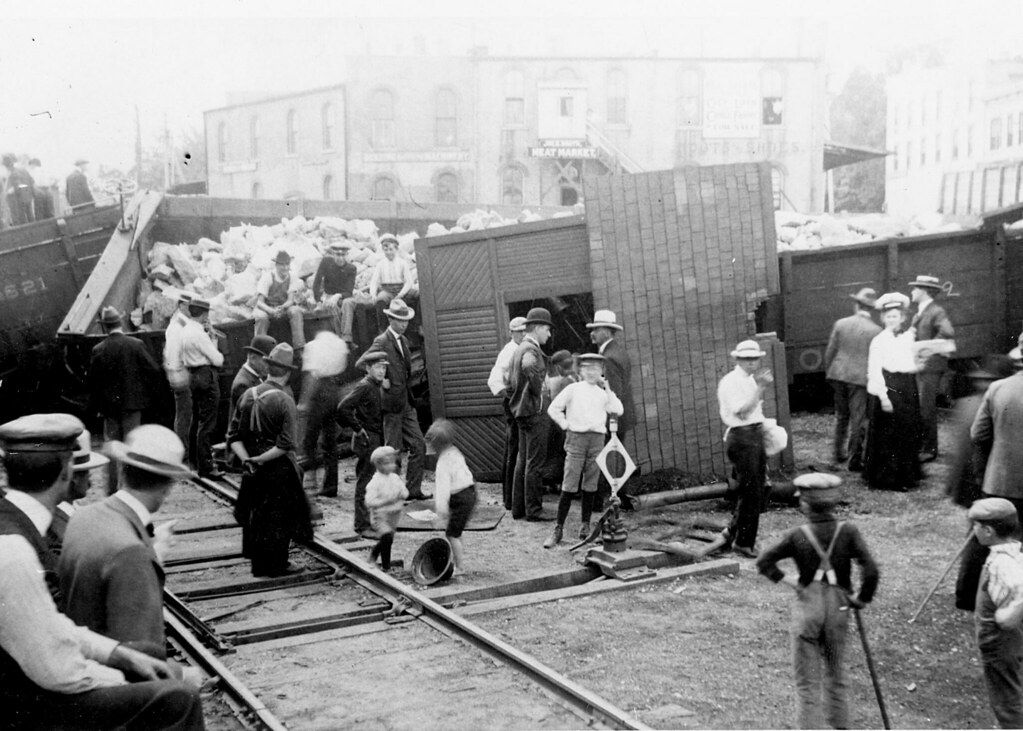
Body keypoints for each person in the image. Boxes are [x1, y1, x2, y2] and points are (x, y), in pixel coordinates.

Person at [0, 413, 204, 730]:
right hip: (19, 704)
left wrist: (120, 654)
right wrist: (125, 678)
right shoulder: (13, 549)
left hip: (20, 678)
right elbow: (60, 672)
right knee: (178, 700)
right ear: (67, 470)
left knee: (153, 669)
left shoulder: (17, 524)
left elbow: (46, 624)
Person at [755, 473, 880, 729]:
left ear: (805, 504)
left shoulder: (797, 535)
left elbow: (764, 561)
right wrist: (862, 599)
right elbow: (871, 570)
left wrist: (791, 581)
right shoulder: (848, 531)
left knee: (807, 683)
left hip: (807, 610)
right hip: (839, 609)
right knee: (836, 674)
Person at [59, 425, 189, 663]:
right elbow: (141, 656)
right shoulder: (131, 553)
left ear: (122, 470)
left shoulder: (82, 516)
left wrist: (152, 550)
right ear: (168, 486)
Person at [227, 343, 312, 577]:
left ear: (268, 367)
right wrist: (261, 459)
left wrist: (248, 460)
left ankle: (259, 564)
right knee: (279, 516)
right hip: (277, 468)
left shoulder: (248, 394)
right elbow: (286, 444)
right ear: (287, 372)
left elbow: (233, 437)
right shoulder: (284, 400)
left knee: (257, 514)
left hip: (251, 469)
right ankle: (278, 564)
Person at [948, 356, 1017, 611]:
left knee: (978, 538)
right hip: (987, 481)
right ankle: (978, 595)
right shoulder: (992, 401)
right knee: (986, 539)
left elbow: (973, 440)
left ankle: (966, 595)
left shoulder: (976, 400)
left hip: (981, 481)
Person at [544, 353, 624, 548]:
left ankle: (585, 526)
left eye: (595, 369)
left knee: (590, 485)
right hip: (576, 440)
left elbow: (618, 409)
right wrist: (565, 425)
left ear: (601, 372)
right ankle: (558, 528)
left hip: (596, 441)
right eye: (587, 368)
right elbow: (554, 409)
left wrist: (608, 388)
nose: (591, 373)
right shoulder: (573, 389)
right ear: (580, 370)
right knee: (569, 484)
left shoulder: (602, 393)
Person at [87, 306, 162, 491]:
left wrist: (98, 407)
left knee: (112, 448)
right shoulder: (136, 344)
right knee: (132, 446)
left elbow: (93, 383)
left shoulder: (98, 349)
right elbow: (153, 371)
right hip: (133, 406)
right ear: (120, 323)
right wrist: (145, 396)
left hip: (109, 409)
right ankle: (131, 488)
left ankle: (113, 489)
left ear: (104, 327)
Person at [366, 298, 429, 500]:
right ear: (390, 319)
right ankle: (392, 494)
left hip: (406, 403)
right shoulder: (381, 341)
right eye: (400, 320)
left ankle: (413, 490)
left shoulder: (404, 341)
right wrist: (379, 379)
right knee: (392, 453)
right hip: (391, 405)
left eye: (406, 321)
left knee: (419, 445)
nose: (404, 324)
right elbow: (362, 363)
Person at [970, 497, 1023, 728]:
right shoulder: (1010, 554)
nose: (973, 529)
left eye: (976, 525)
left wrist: (1008, 616)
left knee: (1006, 701)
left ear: (988, 530)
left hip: (1000, 646)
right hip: (1004, 646)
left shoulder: (1003, 564)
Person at [716, 339, 772, 559]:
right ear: (738, 359)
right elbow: (742, 412)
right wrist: (761, 388)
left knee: (755, 489)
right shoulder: (731, 382)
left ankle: (733, 532)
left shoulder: (749, 380)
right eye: (747, 359)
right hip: (742, 436)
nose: (752, 363)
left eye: (755, 358)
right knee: (751, 492)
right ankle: (743, 543)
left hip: (754, 435)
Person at [863, 292, 922, 492]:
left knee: (908, 430)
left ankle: (908, 475)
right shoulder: (879, 341)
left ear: (902, 317)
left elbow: (913, 361)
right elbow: (874, 370)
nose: (891, 320)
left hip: (907, 387)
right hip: (889, 388)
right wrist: (883, 397)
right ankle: (889, 479)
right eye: (888, 316)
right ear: (883, 318)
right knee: (890, 435)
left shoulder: (907, 338)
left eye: (895, 316)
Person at [822, 287, 881, 470]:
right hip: (860, 380)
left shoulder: (841, 324)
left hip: (838, 375)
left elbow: (830, 352)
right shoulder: (876, 330)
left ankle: (838, 453)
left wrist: (829, 373)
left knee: (842, 416)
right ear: (871, 309)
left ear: (856, 305)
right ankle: (854, 460)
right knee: (859, 419)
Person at [587, 310, 637, 510]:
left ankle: (598, 502)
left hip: (612, 416)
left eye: (596, 330)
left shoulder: (609, 357)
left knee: (603, 456)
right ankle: (619, 496)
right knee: (614, 455)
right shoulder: (615, 351)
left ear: (607, 332)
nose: (592, 334)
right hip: (619, 414)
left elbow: (613, 392)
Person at [509, 307, 555, 521]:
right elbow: (529, 366)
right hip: (534, 413)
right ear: (537, 328)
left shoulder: (519, 347)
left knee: (523, 461)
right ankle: (534, 511)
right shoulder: (531, 350)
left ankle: (519, 509)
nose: (549, 334)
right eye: (547, 329)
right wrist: (538, 390)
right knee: (535, 463)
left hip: (521, 412)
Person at [337, 350, 389, 537]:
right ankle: (362, 526)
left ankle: (367, 522)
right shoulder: (365, 386)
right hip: (368, 439)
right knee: (365, 482)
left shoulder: (376, 385)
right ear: (368, 368)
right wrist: (358, 428)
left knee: (371, 481)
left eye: (384, 367)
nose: (382, 371)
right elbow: (343, 408)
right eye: (377, 367)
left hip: (376, 437)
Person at [909, 274, 955, 463]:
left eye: (915, 288)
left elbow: (948, 335)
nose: (912, 291)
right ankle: (923, 445)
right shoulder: (920, 312)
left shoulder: (936, 312)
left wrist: (923, 349)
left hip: (930, 368)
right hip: (921, 368)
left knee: (925, 408)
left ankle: (929, 449)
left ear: (924, 291)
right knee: (920, 407)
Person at [298, 330, 348, 496]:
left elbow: (311, 378)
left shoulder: (312, 348)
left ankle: (310, 481)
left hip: (319, 393)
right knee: (330, 442)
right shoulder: (336, 347)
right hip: (334, 391)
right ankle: (330, 486)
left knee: (310, 440)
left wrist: (304, 402)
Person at [179, 298, 224, 478]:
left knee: (197, 419)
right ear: (204, 314)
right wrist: (213, 338)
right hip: (206, 375)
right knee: (207, 422)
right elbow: (218, 360)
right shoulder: (199, 334)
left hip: (192, 375)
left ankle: (194, 462)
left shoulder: (185, 331)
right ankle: (206, 467)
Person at [427, 419, 477, 577]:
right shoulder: (455, 451)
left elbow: (442, 492)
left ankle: (460, 568)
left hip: (460, 498)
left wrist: (440, 513)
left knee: (451, 534)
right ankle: (459, 557)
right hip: (470, 492)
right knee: (456, 530)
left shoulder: (442, 464)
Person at [488, 316, 527, 511]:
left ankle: (515, 497)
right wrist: (510, 396)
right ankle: (510, 499)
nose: (523, 334)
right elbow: (494, 380)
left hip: (522, 404)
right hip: (513, 406)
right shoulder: (509, 351)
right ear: (512, 333)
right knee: (513, 449)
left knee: (518, 449)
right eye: (519, 331)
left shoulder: (524, 349)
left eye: (525, 331)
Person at [364, 445, 408, 571]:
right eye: (388, 463)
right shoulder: (375, 482)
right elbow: (369, 501)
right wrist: (386, 500)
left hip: (394, 514)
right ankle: (386, 567)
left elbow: (404, 491)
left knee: (387, 539)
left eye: (393, 462)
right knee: (387, 537)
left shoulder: (394, 478)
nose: (392, 466)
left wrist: (402, 494)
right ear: (379, 465)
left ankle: (373, 554)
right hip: (381, 515)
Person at [163, 292, 195, 464]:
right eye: (190, 306)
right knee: (184, 415)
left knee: (186, 413)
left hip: (183, 373)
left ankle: (185, 450)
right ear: (182, 305)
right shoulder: (176, 326)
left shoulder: (182, 323)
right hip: (181, 374)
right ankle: (183, 453)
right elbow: (174, 354)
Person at [253, 250, 307, 349]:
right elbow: (260, 302)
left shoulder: (292, 277)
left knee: (295, 311)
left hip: (281, 307)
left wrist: (282, 307)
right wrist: (271, 311)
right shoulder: (268, 277)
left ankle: (299, 348)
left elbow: (290, 300)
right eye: (282, 265)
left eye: (287, 264)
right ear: (276, 265)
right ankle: (259, 350)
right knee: (261, 317)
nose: (285, 268)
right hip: (265, 308)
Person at [313, 238, 362, 344]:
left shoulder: (351, 268)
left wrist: (337, 296)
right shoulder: (326, 262)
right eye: (337, 254)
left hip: (344, 297)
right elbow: (317, 282)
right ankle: (343, 341)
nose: (340, 258)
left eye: (343, 255)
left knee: (347, 303)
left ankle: (346, 337)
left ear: (347, 255)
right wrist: (318, 300)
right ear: (333, 254)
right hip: (330, 297)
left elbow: (349, 292)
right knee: (331, 305)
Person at [228, 334, 276, 434]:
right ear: (253, 358)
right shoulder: (243, 384)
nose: (269, 367)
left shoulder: (254, 377)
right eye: (267, 361)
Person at [369, 234, 414, 331]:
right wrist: (373, 294)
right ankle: (383, 330)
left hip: (401, 289)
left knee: (419, 295)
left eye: (391, 249)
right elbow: (374, 281)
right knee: (380, 300)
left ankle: (418, 327)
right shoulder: (380, 264)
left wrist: (401, 294)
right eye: (386, 250)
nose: (388, 252)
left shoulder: (403, 263)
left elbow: (409, 282)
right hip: (387, 290)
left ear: (396, 249)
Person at [3, 153, 34, 225]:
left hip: (18, 201)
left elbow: (19, 186)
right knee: (30, 218)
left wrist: (11, 190)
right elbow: (31, 182)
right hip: (28, 198)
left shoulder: (13, 173)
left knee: (21, 221)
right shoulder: (24, 171)